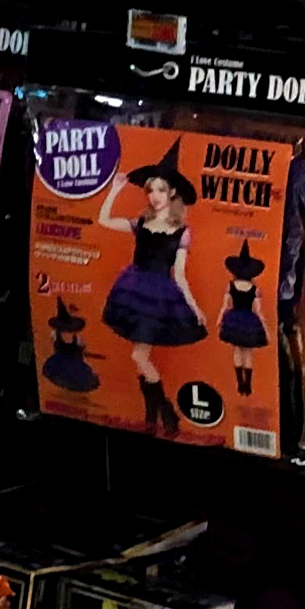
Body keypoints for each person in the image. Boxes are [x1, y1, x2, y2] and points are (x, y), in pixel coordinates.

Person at [97, 158, 207, 439]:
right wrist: (115, 190)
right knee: (140, 356)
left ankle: (163, 412)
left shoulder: (182, 232)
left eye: (160, 189)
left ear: (172, 192)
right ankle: (158, 415)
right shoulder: (142, 223)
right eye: (150, 190)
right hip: (133, 289)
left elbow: (179, 274)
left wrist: (194, 307)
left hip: (158, 298)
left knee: (139, 355)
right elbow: (104, 220)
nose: (154, 196)